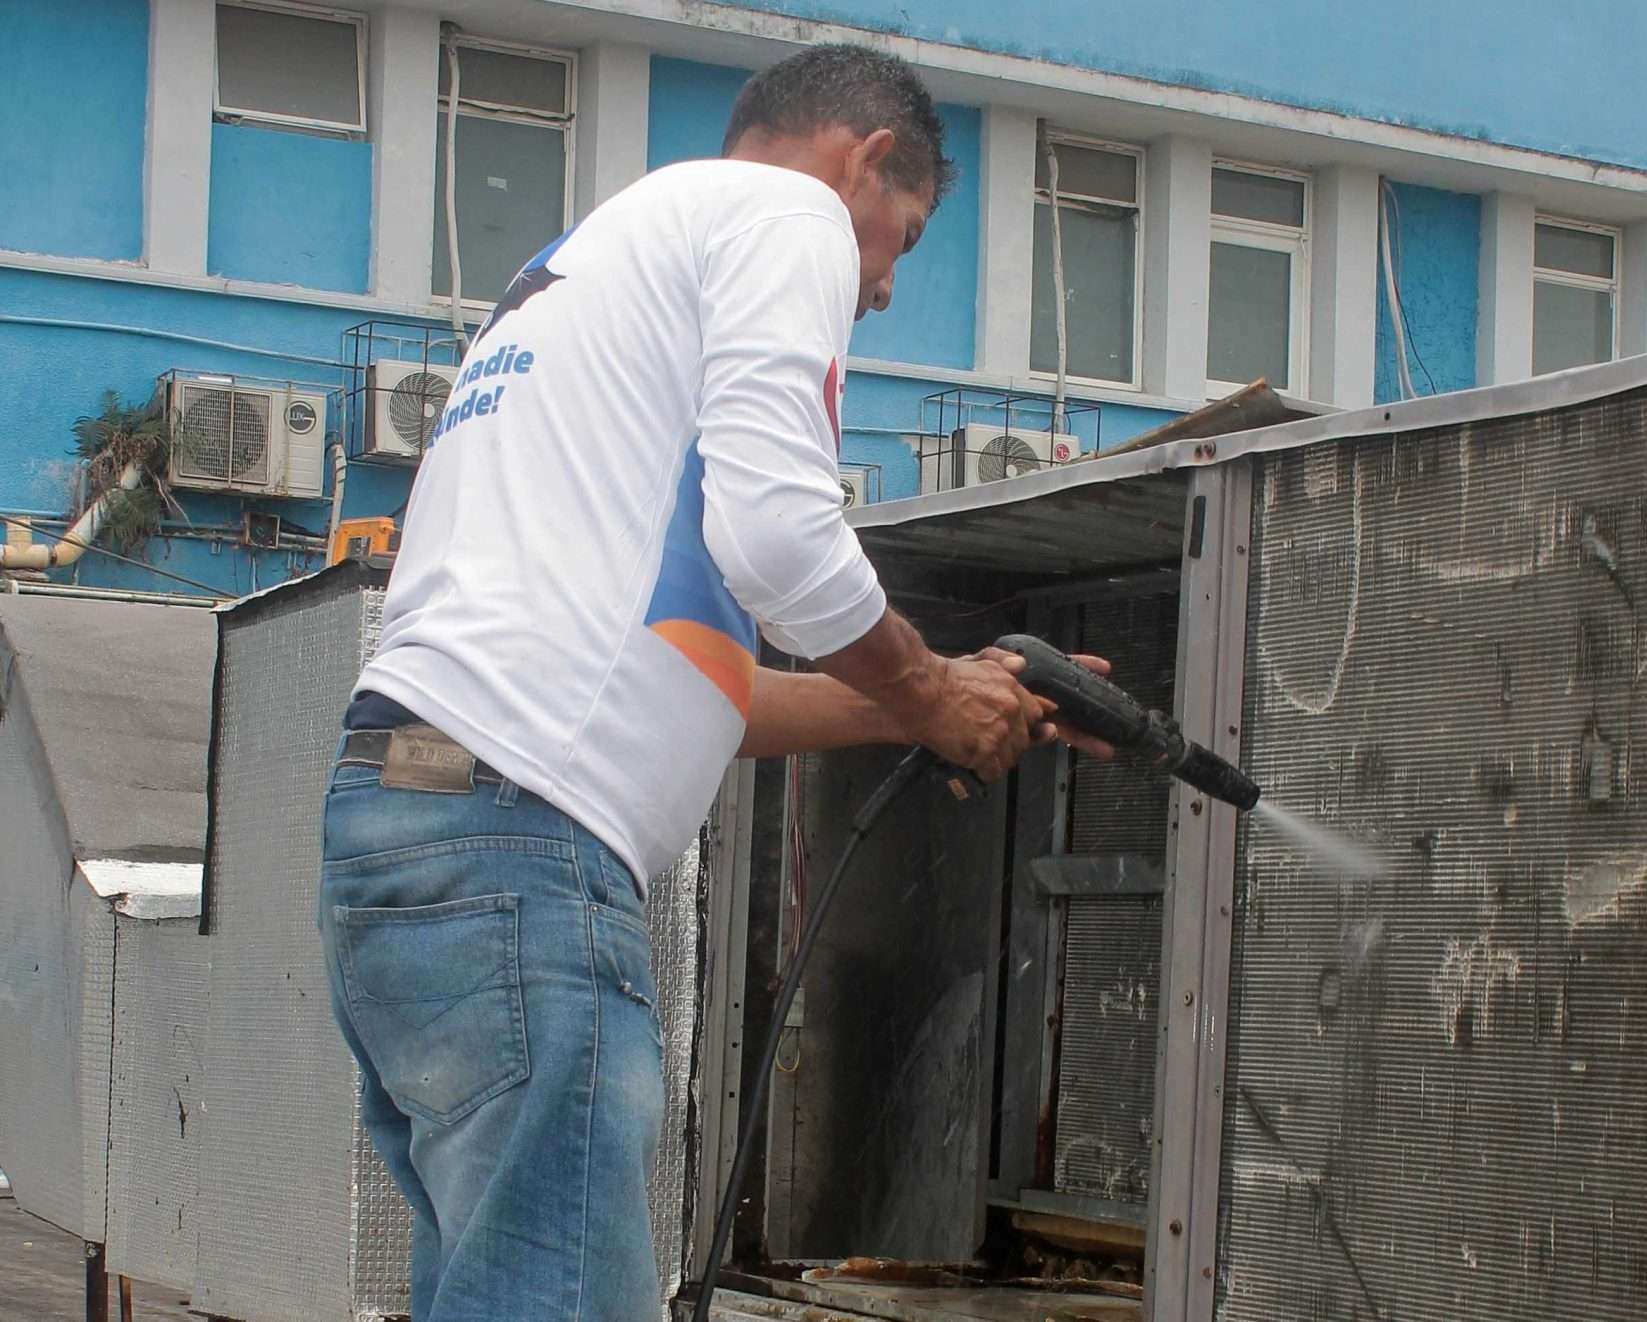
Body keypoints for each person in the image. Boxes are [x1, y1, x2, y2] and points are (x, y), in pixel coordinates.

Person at [317, 43, 1103, 1322]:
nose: (884, 287)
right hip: (519, 851)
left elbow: (694, 686)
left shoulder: (592, 271)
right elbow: (781, 537)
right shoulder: (786, 214)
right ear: (865, 161)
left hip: (410, 827)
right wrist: (926, 689)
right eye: (901, 239)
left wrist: (928, 700)